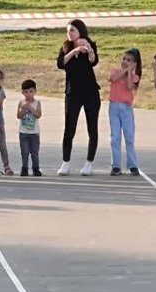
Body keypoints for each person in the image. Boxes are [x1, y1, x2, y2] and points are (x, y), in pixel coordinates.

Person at [56, 19, 100, 176]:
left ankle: (89, 163)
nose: (69, 33)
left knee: (92, 128)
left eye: (72, 30)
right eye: (68, 31)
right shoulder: (65, 48)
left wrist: (88, 49)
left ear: (80, 31)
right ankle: (65, 162)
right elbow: (61, 63)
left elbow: (93, 61)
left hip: (90, 93)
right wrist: (74, 51)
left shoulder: (89, 45)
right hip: (72, 94)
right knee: (69, 128)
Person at [108, 49, 142, 176]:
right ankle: (116, 165)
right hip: (114, 107)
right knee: (115, 137)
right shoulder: (115, 71)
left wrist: (129, 72)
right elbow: (113, 78)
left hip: (126, 108)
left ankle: (132, 164)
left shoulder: (134, 77)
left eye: (129, 60)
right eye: (124, 59)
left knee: (129, 137)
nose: (125, 62)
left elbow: (129, 86)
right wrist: (125, 70)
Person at [17, 79, 42, 177]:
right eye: (26, 92)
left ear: (35, 91)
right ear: (23, 92)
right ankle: (24, 168)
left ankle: (36, 168)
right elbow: (19, 116)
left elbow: (38, 115)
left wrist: (30, 108)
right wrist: (23, 109)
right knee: (24, 151)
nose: (28, 94)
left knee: (34, 152)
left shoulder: (37, 103)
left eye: (31, 91)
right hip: (23, 132)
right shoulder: (21, 103)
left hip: (34, 132)